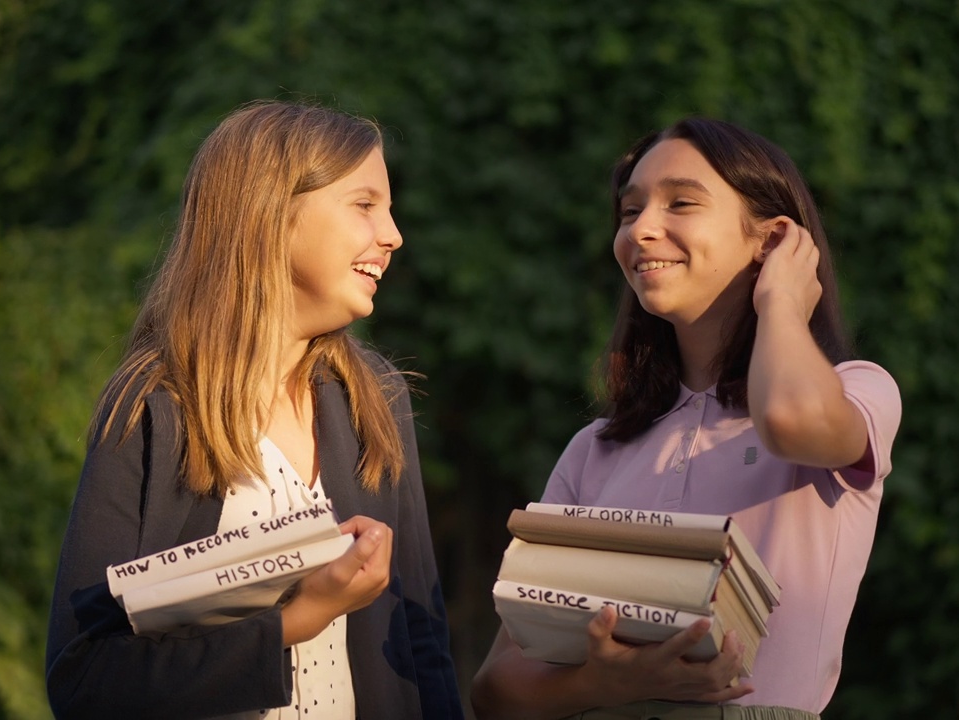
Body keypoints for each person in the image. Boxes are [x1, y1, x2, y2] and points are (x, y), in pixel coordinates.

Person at [470, 118, 902, 720]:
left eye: (681, 203)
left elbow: (788, 418)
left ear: (773, 239)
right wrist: (607, 684)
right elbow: (497, 690)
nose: (642, 229)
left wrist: (779, 298)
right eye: (628, 211)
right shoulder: (595, 448)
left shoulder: (859, 389)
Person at [45, 100, 464, 720]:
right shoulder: (155, 408)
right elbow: (85, 681)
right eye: (365, 204)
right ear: (273, 214)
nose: (394, 235)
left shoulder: (374, 397)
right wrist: (296, 620)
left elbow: (421, 640)